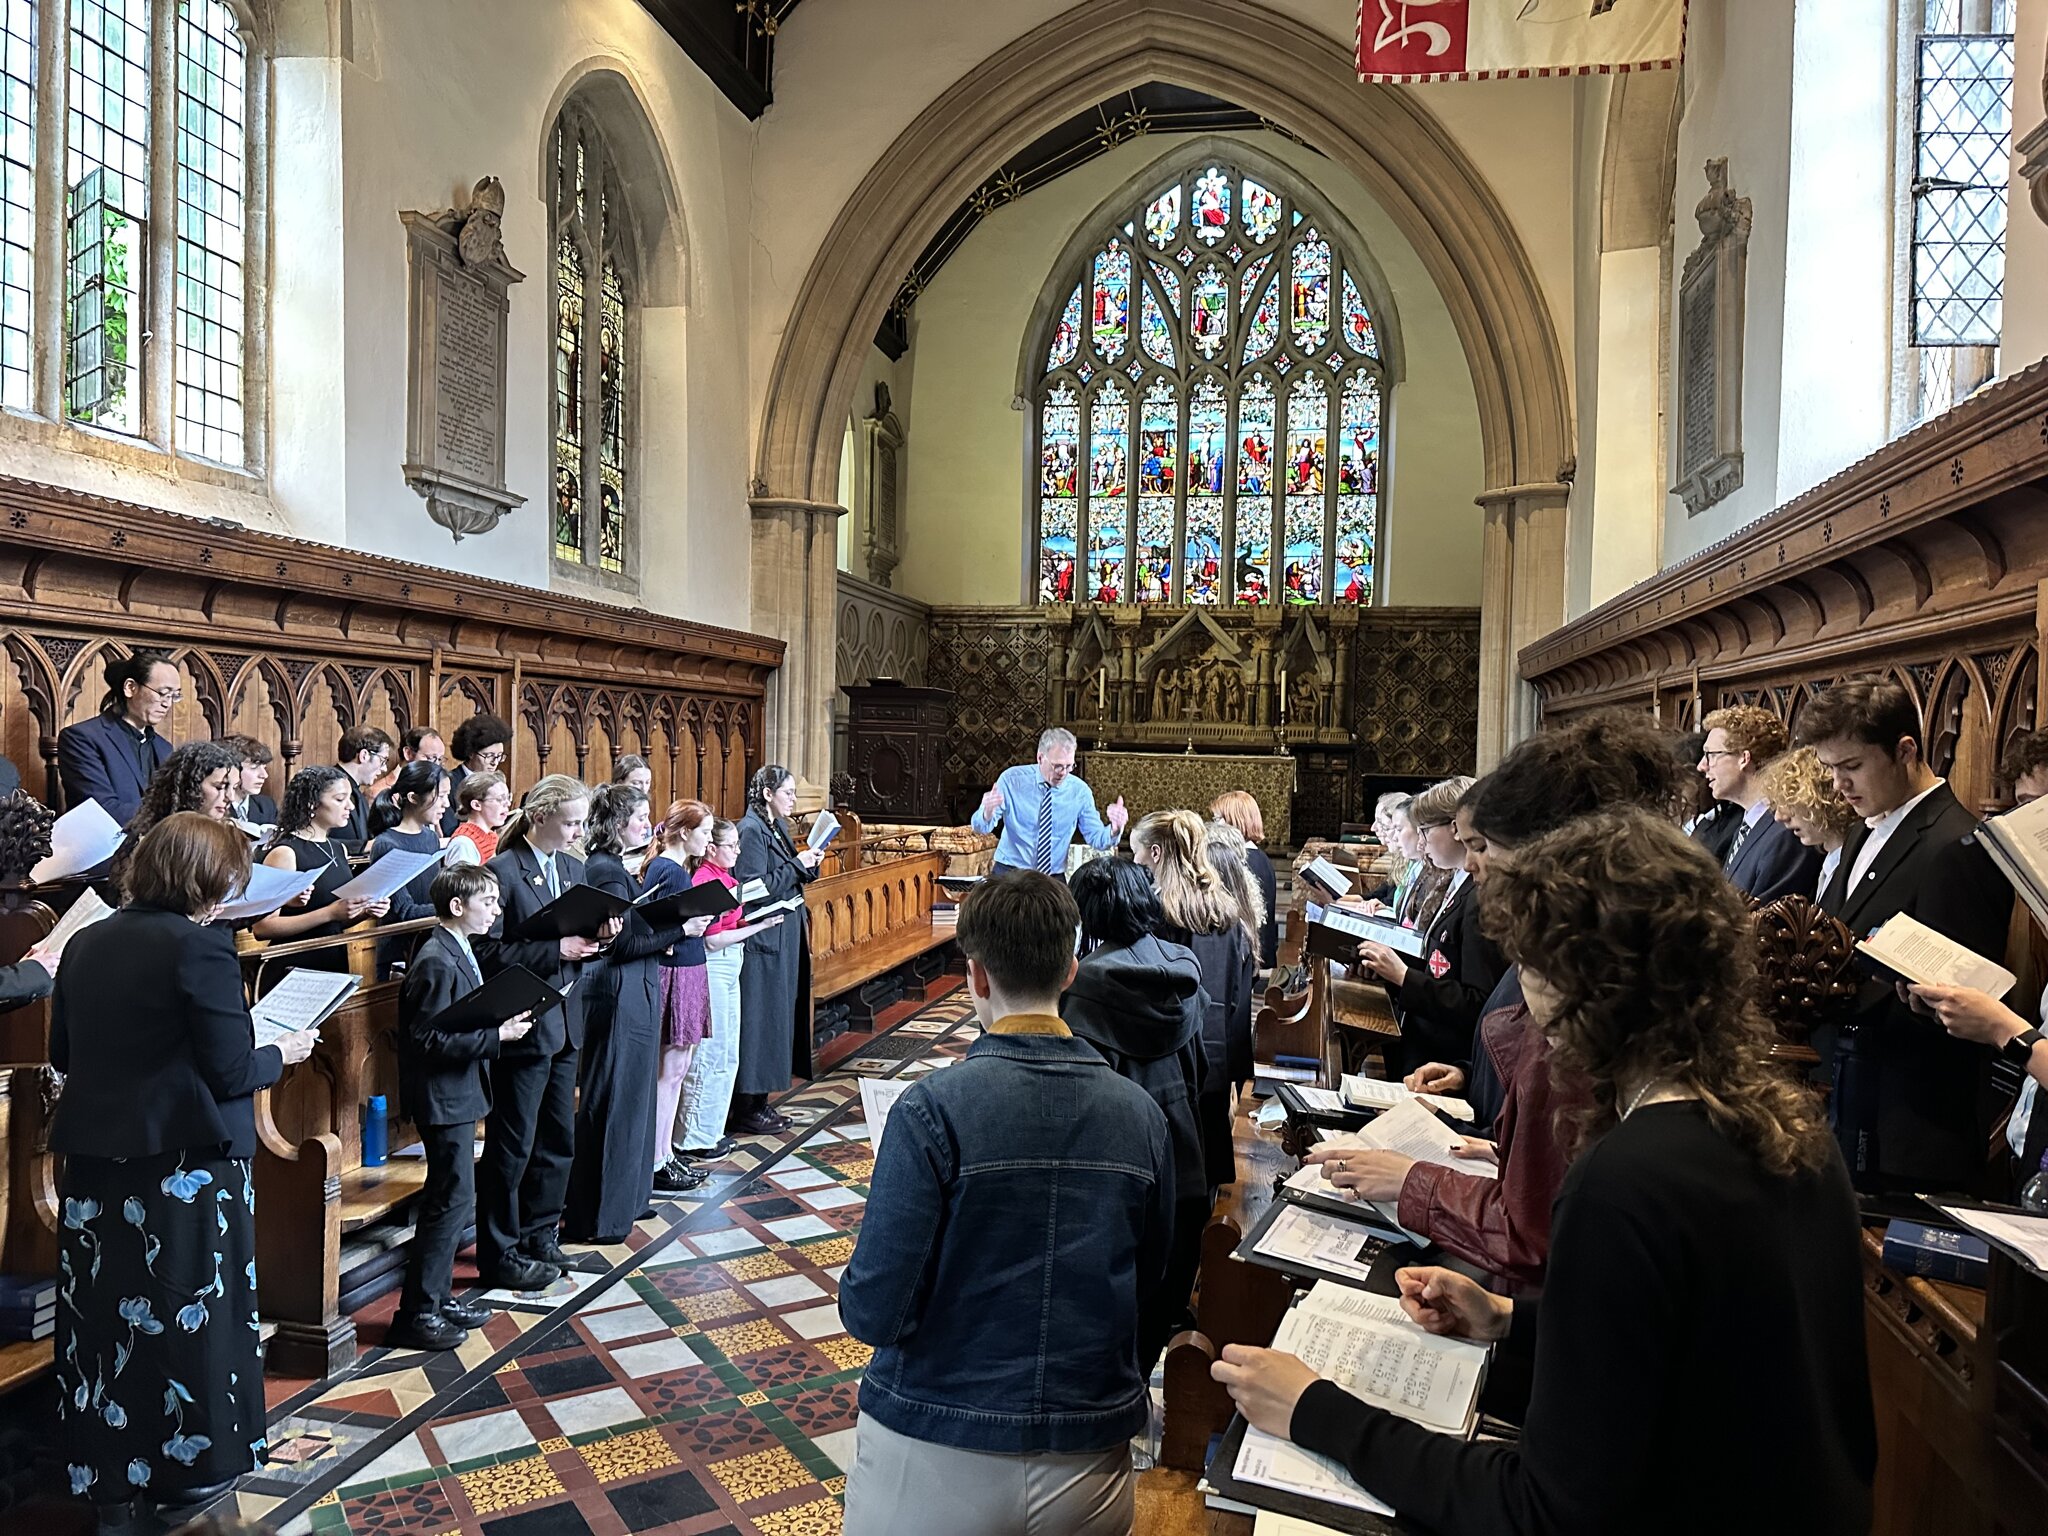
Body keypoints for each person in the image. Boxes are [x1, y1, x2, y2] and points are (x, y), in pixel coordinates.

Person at [1216, 810, 1876, 1536]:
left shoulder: (1628, 1178)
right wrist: (1508, 1317)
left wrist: (1316, 1410)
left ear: (1581, 985)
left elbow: (1546, 1511)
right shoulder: (1787, 1125)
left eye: (1526, 963)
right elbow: (1694, 1346)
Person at [841, 871, 1172, 1536]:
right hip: (1089, 1452)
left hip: (938, 1441)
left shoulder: (931, 1110)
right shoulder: (1141, 1116)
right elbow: (1154, 1294)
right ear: (1072, 969)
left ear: (977, 977)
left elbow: (875, 1310)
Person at [1334, 711, 1678, 1288]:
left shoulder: (1583, 1003)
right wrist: (1473, 1076)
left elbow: (1536, 1235)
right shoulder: (1592, 965)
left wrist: (1413, 1181)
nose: (1474, 865)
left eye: (1485, 846)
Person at [51, 813, 320, 1522]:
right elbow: (232, 1071)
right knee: (188, 1315)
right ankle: (188, 1468)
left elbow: (63, 1055)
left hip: (95, 1166)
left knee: (105, 1320)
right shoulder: (198, 948)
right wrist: (283, 1054)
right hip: (183, 1168)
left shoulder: (85, 941)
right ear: (208, 879)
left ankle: (107, 1472)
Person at [1797, 678, 2014, 1190]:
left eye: (1851, 767)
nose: (1838, 786)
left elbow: (1961, 1010)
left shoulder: (1957, 844)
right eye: (1830, 770)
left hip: (1906, 1126)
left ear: (1905, 750)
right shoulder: (1860, 829)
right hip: (1844, 1102)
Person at [1060, 856, 1206, 1372]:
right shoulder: (1181, 971)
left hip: (1116, 1179)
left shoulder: (1081, 995)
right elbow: (1201, 1073)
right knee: (1156, 1308)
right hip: (1187, 1163)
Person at [388, 864, 534, 1351]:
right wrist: (498, 1035)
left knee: (456, 1200)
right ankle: (417, 1313)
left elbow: (458, 1017)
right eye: (487, 902)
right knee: (448, 1201)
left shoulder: (457, 948)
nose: (496, 910)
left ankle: (439, 1296)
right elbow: (427, 1038)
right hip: (443, 1097)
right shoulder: (435, 958)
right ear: (457, 906)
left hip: (460, 1092)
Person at [475, 774, 612, 1287]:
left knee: (558, 1139)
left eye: (581, 823)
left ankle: (539, 1235)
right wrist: (555, 950)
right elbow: (487, 952)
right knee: (513, 1145)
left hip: (566, 1021)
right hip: (524, 1025)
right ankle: (500, 1251)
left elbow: (580, 932)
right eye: (570, 822)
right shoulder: (504, 872)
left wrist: (601, 933)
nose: (578, 832)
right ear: (539, 817)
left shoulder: (575, 868)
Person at [562, 785, 706, 1241]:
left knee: (635, 1101)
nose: (649, 825)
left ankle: (628, 1200)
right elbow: (620, 944)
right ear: (617, 822)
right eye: (641, 816)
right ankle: (601, 1214)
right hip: (617, 994)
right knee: (613, 1102)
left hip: (635, 991)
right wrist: (679, 928)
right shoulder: (605, 870)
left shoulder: (615, 867)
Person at [1352, 776, 1503, 1080]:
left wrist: (1403, 976)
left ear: (1454, 829)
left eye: (1425, 831)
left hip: (1446, 1055)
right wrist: (1385, 968)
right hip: (1422, 1041)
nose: (1420, 843)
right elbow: (1436, 962)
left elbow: (1478, 1001)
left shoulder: (1478, 900)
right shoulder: (1453, 884)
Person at [1132, 808, 1250, 1190]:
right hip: (1216, 1051)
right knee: (1208, 1158)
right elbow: (1234, 992)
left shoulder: (1160, 911)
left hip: (1172, 1055)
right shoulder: (1223, 906)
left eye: (1136, 853)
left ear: (1155, 854)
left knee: (1175, 1167)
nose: (1134, 862)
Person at [676, 817, 782, 1159]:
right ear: (711, 849)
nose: (738, 851)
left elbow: (731, 922)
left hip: (729, 965)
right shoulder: (704, 880)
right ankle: (692, 1136)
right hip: (714, 966)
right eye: (731, 845)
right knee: (709, 1052)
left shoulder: (726, 877)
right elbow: (712, 940)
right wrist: (760, 925)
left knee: (726, 1051)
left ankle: (711, 1129)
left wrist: (758, 917)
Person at [732, 765, 822, 1135]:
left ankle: (762, 1100)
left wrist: (808, 864)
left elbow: (788, 872)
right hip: (762, 942)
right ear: (767, 794)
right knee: (761, 1022)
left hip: (784, 936)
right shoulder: (750, 831)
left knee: (779, 1017)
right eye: (788, 793)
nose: (793, 800)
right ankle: (748, 1105)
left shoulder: (777, 826)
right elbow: (750, 890)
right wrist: (796, 867)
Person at [253, 767, 391, 970]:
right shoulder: (286, 852)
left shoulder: (338, 848)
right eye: (340, 799)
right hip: (293, 964)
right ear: (312, 804)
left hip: (332, 957)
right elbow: (262, 927)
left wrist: (365, 912)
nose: (350, 807)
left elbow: (334, 922)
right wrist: (330, 913)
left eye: (349, 799)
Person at [1697, 705, 1821, 902]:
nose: (1702, 766)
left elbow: (1767, 916)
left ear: (1743, 759)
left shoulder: (1787, 831)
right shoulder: (1746, 825)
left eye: (1710, 755)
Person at [971, 726, 1127, 877]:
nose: (1063, 773)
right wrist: (987, 813)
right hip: (1010, 871)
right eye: (1057, 766)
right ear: (1040, 758)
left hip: (1052, 876)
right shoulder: (1012, 780)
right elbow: (980, 829)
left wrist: (1114, 829)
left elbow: (1097, 839)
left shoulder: (1080, 791)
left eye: (1069, 766)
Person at [57, 650, 178, 827]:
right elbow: (102, 810)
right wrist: (172, 818)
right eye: (162, 693)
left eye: (174, 696)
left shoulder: (164, 748)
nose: (168, 703)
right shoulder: (82, 738)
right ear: (130, 688)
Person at [106, 741, 239, 901]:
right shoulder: (151, 838)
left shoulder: (222, 833)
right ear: (190, 787)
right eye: (220, 787)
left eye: (235, 787)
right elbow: (131, 904)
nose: (230, 797)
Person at [366, 760, 452, 977]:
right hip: (400, 953)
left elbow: (434, 893)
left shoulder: (430, 837)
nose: (447, 804)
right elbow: (405, 912)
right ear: (413, 798)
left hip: (431, 940)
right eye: (440, 796)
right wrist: (455, 907)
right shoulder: (387, 844)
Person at [1757, 746, 1859, 899]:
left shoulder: (1857, 864)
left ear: (1824, 800)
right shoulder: (1828, 862)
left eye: (1791, 803)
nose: (1779, 816)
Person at [1210, 789, 1277, 968]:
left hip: (1247, 952)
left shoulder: (1241, 860)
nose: (1214, 825)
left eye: (1218, 819)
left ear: (1235, 821)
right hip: (1256, 948)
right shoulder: (1261, 856)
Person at [441, 714, 512, 835]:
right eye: (489, 756)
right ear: (471, 753)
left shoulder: (497, 783)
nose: (495, 762)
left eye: (499, 756)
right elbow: (449, 830)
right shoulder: (450, 783)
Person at [332, 725, 394, 851]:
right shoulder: (327, 787)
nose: (384, 768)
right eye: (383, 760)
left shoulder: (358, 794)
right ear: (364, 755)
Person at [446, 770, 512, 866]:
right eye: (500, 799)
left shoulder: (491, 835)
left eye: (508, 798)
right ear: (476, 805)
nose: (508, 804)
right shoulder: (463, 844)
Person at [370, 726, 446, 801]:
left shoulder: (440, 790)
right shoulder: (377, 793)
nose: (437, 766)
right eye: (431, 758)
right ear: (408, 753)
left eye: (440, 759)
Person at [220, 735, 277, 830]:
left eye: (264, 768)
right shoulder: (216, 805)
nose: (264, 775)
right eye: (254, 768)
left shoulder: (267, 806)